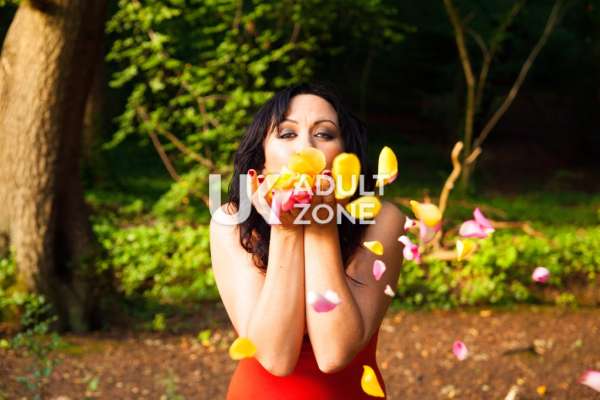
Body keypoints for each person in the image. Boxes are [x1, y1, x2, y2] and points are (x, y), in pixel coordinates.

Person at [210, 82, 406, 399]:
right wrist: (286, 229)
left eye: (324, 134)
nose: (306, 148)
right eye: (287, 133)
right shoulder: (231, 222)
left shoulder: (382, 220)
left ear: (346, 158)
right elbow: (275, 358)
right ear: (261, 162)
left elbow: (333, 354)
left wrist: (318, 224)